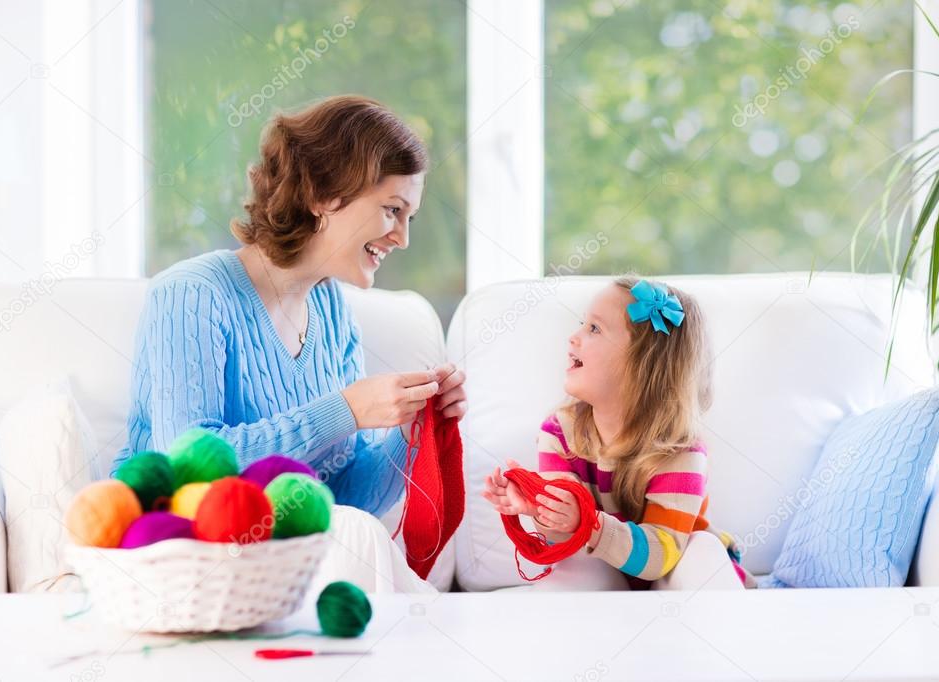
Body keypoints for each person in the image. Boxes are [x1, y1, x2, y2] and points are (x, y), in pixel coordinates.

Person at [114, 95, 467, 593]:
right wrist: (343, 410)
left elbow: (345, 498)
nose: (402, 237)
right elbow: (189, 468)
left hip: (282, 564)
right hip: (182, 560)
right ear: (326, 194)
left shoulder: (331, 310)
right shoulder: (192, 294)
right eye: (392, 210)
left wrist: (410, 434)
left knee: (359, 538)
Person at [484, 275, 755, 591]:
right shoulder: (560, 432)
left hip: (672, 569)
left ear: (642, 366)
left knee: (702, 553)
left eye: (594, 329)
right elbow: (569, 528)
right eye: (583, 324)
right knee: (572, 565)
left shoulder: (681, 451)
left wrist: (592, 525)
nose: (573, 337)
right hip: (605, 569)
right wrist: (544, 507)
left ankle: (720, 631)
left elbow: (659, 558)